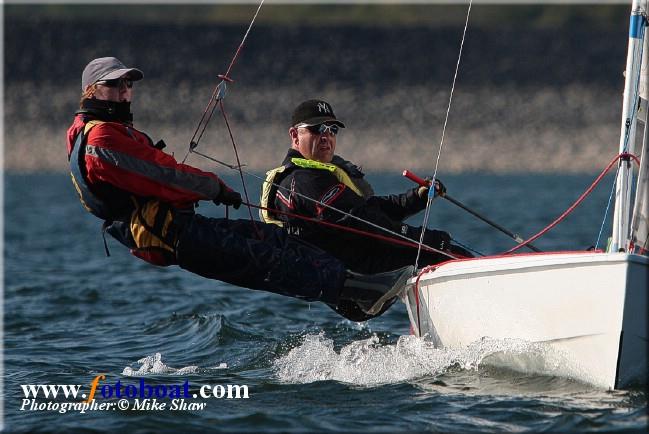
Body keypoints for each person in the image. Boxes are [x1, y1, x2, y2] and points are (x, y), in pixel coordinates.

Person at [66, 57, 412, 322]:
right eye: (115, 85)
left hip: (182, 226)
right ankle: (358, 292)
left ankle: (355, 291)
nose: (125, 91)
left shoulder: (103, 130)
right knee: (265, 261)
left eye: (128, 84)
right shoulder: (101, 138)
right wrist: (214, 188)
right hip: (172, 235)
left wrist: (209, 191)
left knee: (276, 241)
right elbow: (164, 175)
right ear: (91, 91)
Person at [260, 99, 471, 274]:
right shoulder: (305, 180)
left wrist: (418, 197)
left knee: (446, 253)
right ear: (295, 135)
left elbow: (368, 210)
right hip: (352, 270)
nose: (326, 136)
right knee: (453, 256)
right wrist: (431, 240)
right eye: (317, 129)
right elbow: (365, 222)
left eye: (332, 130)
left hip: (361, 258)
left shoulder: (318, 173)